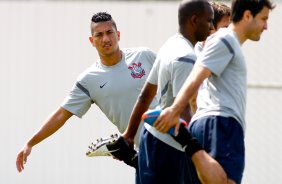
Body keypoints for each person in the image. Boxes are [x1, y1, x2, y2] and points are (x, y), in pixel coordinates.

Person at [16, 12, 158, 173]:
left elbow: (176, 82)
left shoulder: (144, 55)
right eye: (99, 35)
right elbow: (61, 114)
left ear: (118, 35)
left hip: (173, 138)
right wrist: (30, 142)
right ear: (92, 41)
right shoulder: (88, 80)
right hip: (145, 152)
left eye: (109, 32)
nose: (106, 39)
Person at [154, 0, 275, 183]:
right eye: (263, 18)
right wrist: (175, 110)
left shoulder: (227, 42)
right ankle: (187, 140)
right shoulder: (226, 38)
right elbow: (197, 75)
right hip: (222, 122)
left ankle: (188, 140)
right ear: (248, 15)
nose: (266, 26)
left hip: (211, 122)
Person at [122, 0, 229, 183]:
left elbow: (145, 94)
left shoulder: (170, 44)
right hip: (171, 148)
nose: (211, 27)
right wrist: (206, 153)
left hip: (151, 138)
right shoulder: (187, 58)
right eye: (209, 21)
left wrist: (129, 135)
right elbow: (184, 113)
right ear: (194, 20)